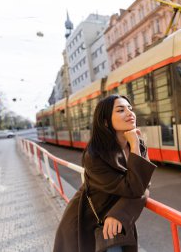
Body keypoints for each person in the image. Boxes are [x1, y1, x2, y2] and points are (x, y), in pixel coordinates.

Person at [53, 94, 156, 252]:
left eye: (130, 108)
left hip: (115, 222)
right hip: (91, 223)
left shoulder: (137, 144)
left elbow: (143, 184)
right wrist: (135, 144)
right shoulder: (95, 156)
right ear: (106, 121)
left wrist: (120, 213)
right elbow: (135, 187)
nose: (130, 113)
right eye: (121, 110)